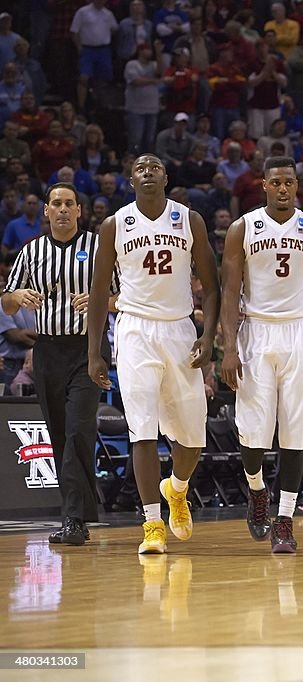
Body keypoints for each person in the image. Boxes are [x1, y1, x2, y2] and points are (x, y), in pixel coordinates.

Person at [86, 154, 220, 555]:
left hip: (180, 330)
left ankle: (177, 490)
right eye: (141, 168)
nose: (148, 172)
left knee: (193, 436)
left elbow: (212, 286)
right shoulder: (115, 225)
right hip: (134, 331)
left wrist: (208, 336)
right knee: (141, 429)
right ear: (131, 180)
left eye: (155, 167)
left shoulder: (189, 219)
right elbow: (97, 293)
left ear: (166, 176)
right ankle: (152, 523)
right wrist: (95, 352)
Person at [218, 156, 303, 554]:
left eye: (289, 182)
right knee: (252, 434)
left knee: (294, 433)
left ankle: (284, 520)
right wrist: (229, 347)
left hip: (298, 335)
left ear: (297, 185)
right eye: (276, 182)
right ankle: (256, 490)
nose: (283, 188)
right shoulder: (243, 228)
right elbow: (230, 292)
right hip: (255, 332)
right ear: (264, 185)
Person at [1, 183, 108, 545]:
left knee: (80, 430)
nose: (62, 209)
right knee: (60, 435)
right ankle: (76, 516)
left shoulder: (98, 247)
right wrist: (18, 295)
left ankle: (74, 519)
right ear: (46, 211)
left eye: (69, 204)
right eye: (56, 204)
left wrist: (99, 300)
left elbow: (124, 295)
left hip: (88, 349)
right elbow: (7, 303)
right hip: (47, 350)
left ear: (80, 210)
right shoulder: (31, 252)